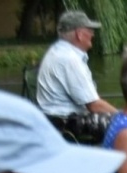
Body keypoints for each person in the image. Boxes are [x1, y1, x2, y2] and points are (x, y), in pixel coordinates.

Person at [37, 8, 117, 144]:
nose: (93, 34)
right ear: (79, 34)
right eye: (90, 30)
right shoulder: (69, 59)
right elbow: (95, 106)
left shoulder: (56, 51)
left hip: (53, 120)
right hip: (67, 125)